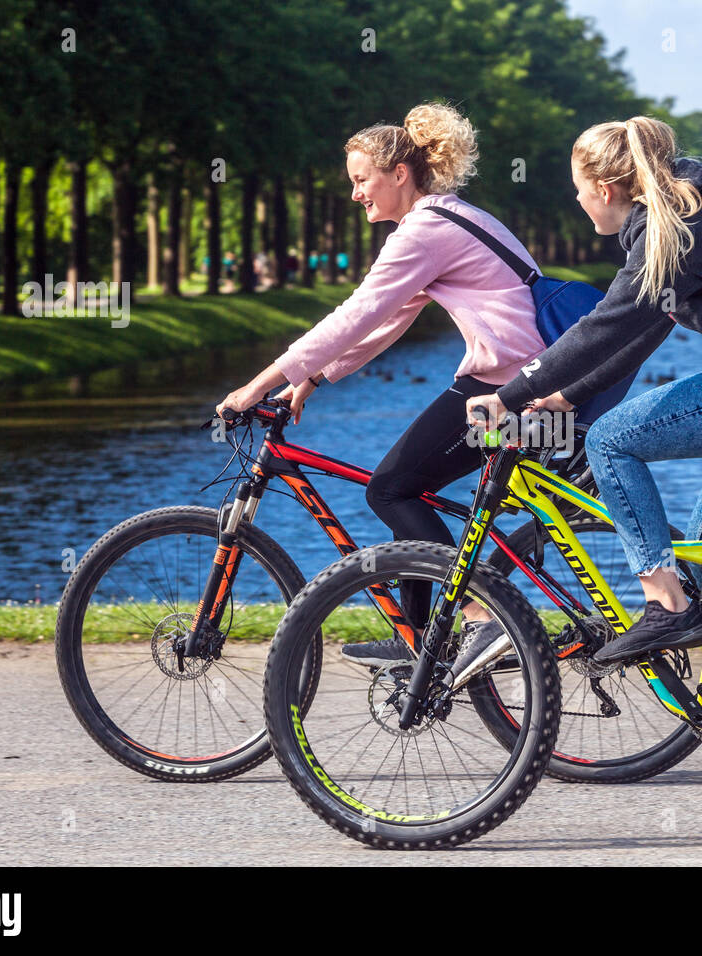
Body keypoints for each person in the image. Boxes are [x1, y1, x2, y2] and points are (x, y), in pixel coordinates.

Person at [468, 116, 702, 680]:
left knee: (612, 440)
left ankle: (665, 604)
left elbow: (605, 326)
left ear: (604, 189)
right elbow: (640, 333)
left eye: (578, 191)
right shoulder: (682, 219)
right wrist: (567, 396)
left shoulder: (666, 228)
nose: (578, 201)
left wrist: (509, 394)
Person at [216, 103, 596, 677]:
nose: (355, 194)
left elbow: (354, 314)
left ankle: (476, 619)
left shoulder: (423, 231)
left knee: (391, 490)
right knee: (404, 489)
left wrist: (258, 385)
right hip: (532, 376)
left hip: (508, 386)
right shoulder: (449, 217)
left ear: (399, 174)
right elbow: (387, 322)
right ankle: (425, 639)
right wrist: (313, 377)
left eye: (361, 180)